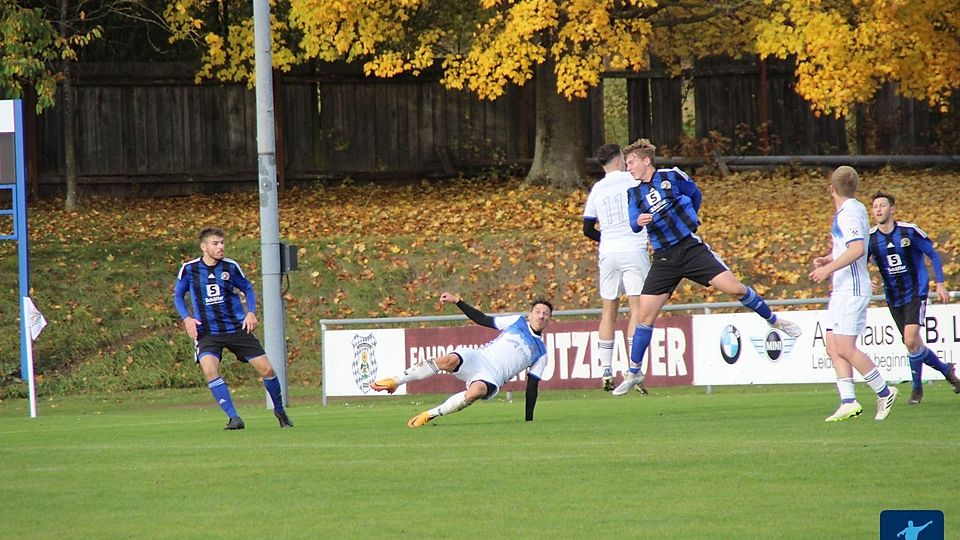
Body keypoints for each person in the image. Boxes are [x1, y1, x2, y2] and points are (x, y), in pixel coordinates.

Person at [611, 139, 801, 396]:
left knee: (735, 289)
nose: (628, 167)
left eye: (631, 162)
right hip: (664, 258)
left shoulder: (672, 176)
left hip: (690, 249)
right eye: (627, 163)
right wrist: (639, 220)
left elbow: (695, 194)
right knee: (644, 316)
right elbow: (634, 223)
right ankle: (634, 371)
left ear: (646, 160)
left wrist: (687, 217)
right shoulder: (633, 193)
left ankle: (774, 321)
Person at [371, 292, 552, 428]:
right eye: (538, 311)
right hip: (479, 357)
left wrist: (529, 420)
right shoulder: (517, 321)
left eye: (545, 313)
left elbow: (532, 387)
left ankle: (430, 414)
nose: (541, 315)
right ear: (530, 314)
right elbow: (482, 319)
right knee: (448, 360)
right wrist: (457, 301)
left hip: (492, 377)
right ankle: (396, 381)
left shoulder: (541, 352)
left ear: (549, 320)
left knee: (476, 392)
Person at [173, 227, 293, 430]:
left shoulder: (230, 267)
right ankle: (234, 418)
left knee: (267, 370)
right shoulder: (189, 269)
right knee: (210, 370)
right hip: (207, 332)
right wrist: (187, 319)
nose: (221, 247)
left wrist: (251, 312)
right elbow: (178, 295)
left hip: (236, 328)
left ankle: (279, 411)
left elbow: (248, 288)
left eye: (222, 243)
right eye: (215, 243)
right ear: (204, 247)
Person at [809, 167, 898, 421]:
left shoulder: (848, 213)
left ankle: (884, 391)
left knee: (845, 348)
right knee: (832, 346)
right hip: (842, 288)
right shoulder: (854, 209)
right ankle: (848, 401)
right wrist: (829, 258)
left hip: (852, 288)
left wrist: (827, 269)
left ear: (832, 189)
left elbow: (857, 249)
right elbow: (848, 246)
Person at [868, 191, 960, 404]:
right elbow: (859, 261)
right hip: (893, 296)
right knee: (914, 344)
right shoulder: (870, 238)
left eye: (882, 205)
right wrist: (868, 280)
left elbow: (933, 254)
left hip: (915, 292)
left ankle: (917, 389)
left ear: (892, 209)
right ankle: (947, 371)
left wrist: (940, 282)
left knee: (910, 339)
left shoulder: (909, 231)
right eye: (875, 206)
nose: (878, 209)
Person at [582, 143, 650, 392]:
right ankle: (633, 369)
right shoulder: (633, 181)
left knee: (608, 311)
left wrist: (607, 238)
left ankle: (606, 370)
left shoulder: (597, 189)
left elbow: (587, 228)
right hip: (633, 249)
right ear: (620, 161)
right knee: (637, 310)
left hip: (608, 253)